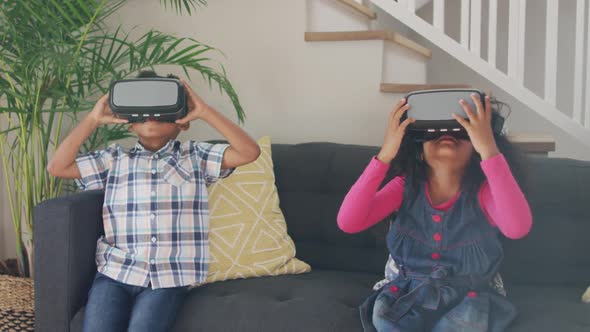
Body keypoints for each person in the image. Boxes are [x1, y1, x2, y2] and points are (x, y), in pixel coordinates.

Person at [47, 71, 260, 332]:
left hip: (169, 277)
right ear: (128, 122)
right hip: (115, 273)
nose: (151, 115)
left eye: (160, 106)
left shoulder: (196, 156)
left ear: (182, 122)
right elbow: (58, 166)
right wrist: (93, 119)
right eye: (142, 109)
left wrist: (204, 110)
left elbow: (249, 152)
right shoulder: (114, 159)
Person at [337, 94, 532, 331]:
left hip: (468, 299)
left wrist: (489, 150)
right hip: (407, 295)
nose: (446, 136)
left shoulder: (485, 194)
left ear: (475, 150)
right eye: (432, 132)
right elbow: (348, 222)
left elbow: (517, 227)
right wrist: (385, 155)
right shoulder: (403, 187)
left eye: (460, 131)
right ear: (419, 150)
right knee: (386, 320)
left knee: (464, 324)